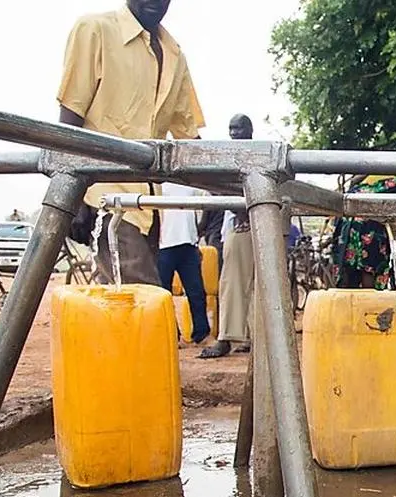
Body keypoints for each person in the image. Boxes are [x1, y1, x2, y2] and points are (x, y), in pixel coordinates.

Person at [57, 0, 204, 286]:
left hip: (150, 207)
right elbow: (69, 120)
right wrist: (70, 196)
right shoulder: (96, 30)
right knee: (143, 297)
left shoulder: (174, 54)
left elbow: (189, 137)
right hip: (104, 198)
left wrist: (240, 181)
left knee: (126, 299)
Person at [200, 115, 256, 359]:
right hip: (240, 224)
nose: (234, 133)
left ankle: (227, 337)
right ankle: (245, 336)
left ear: (249, 131)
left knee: (234, 283)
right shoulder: (235, 156)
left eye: (238, 128)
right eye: (231, 129)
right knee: (246, 284)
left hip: (245, 225)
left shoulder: (249, 156)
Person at [157, 182, 210, 347]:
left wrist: (197, 236)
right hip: (163, 245)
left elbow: (205, 202)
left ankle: (201, 334)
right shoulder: (159, 184)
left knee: (197, 292)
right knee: (164, 294)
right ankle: (172, 335)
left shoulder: (189, 182)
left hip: (189, 244)